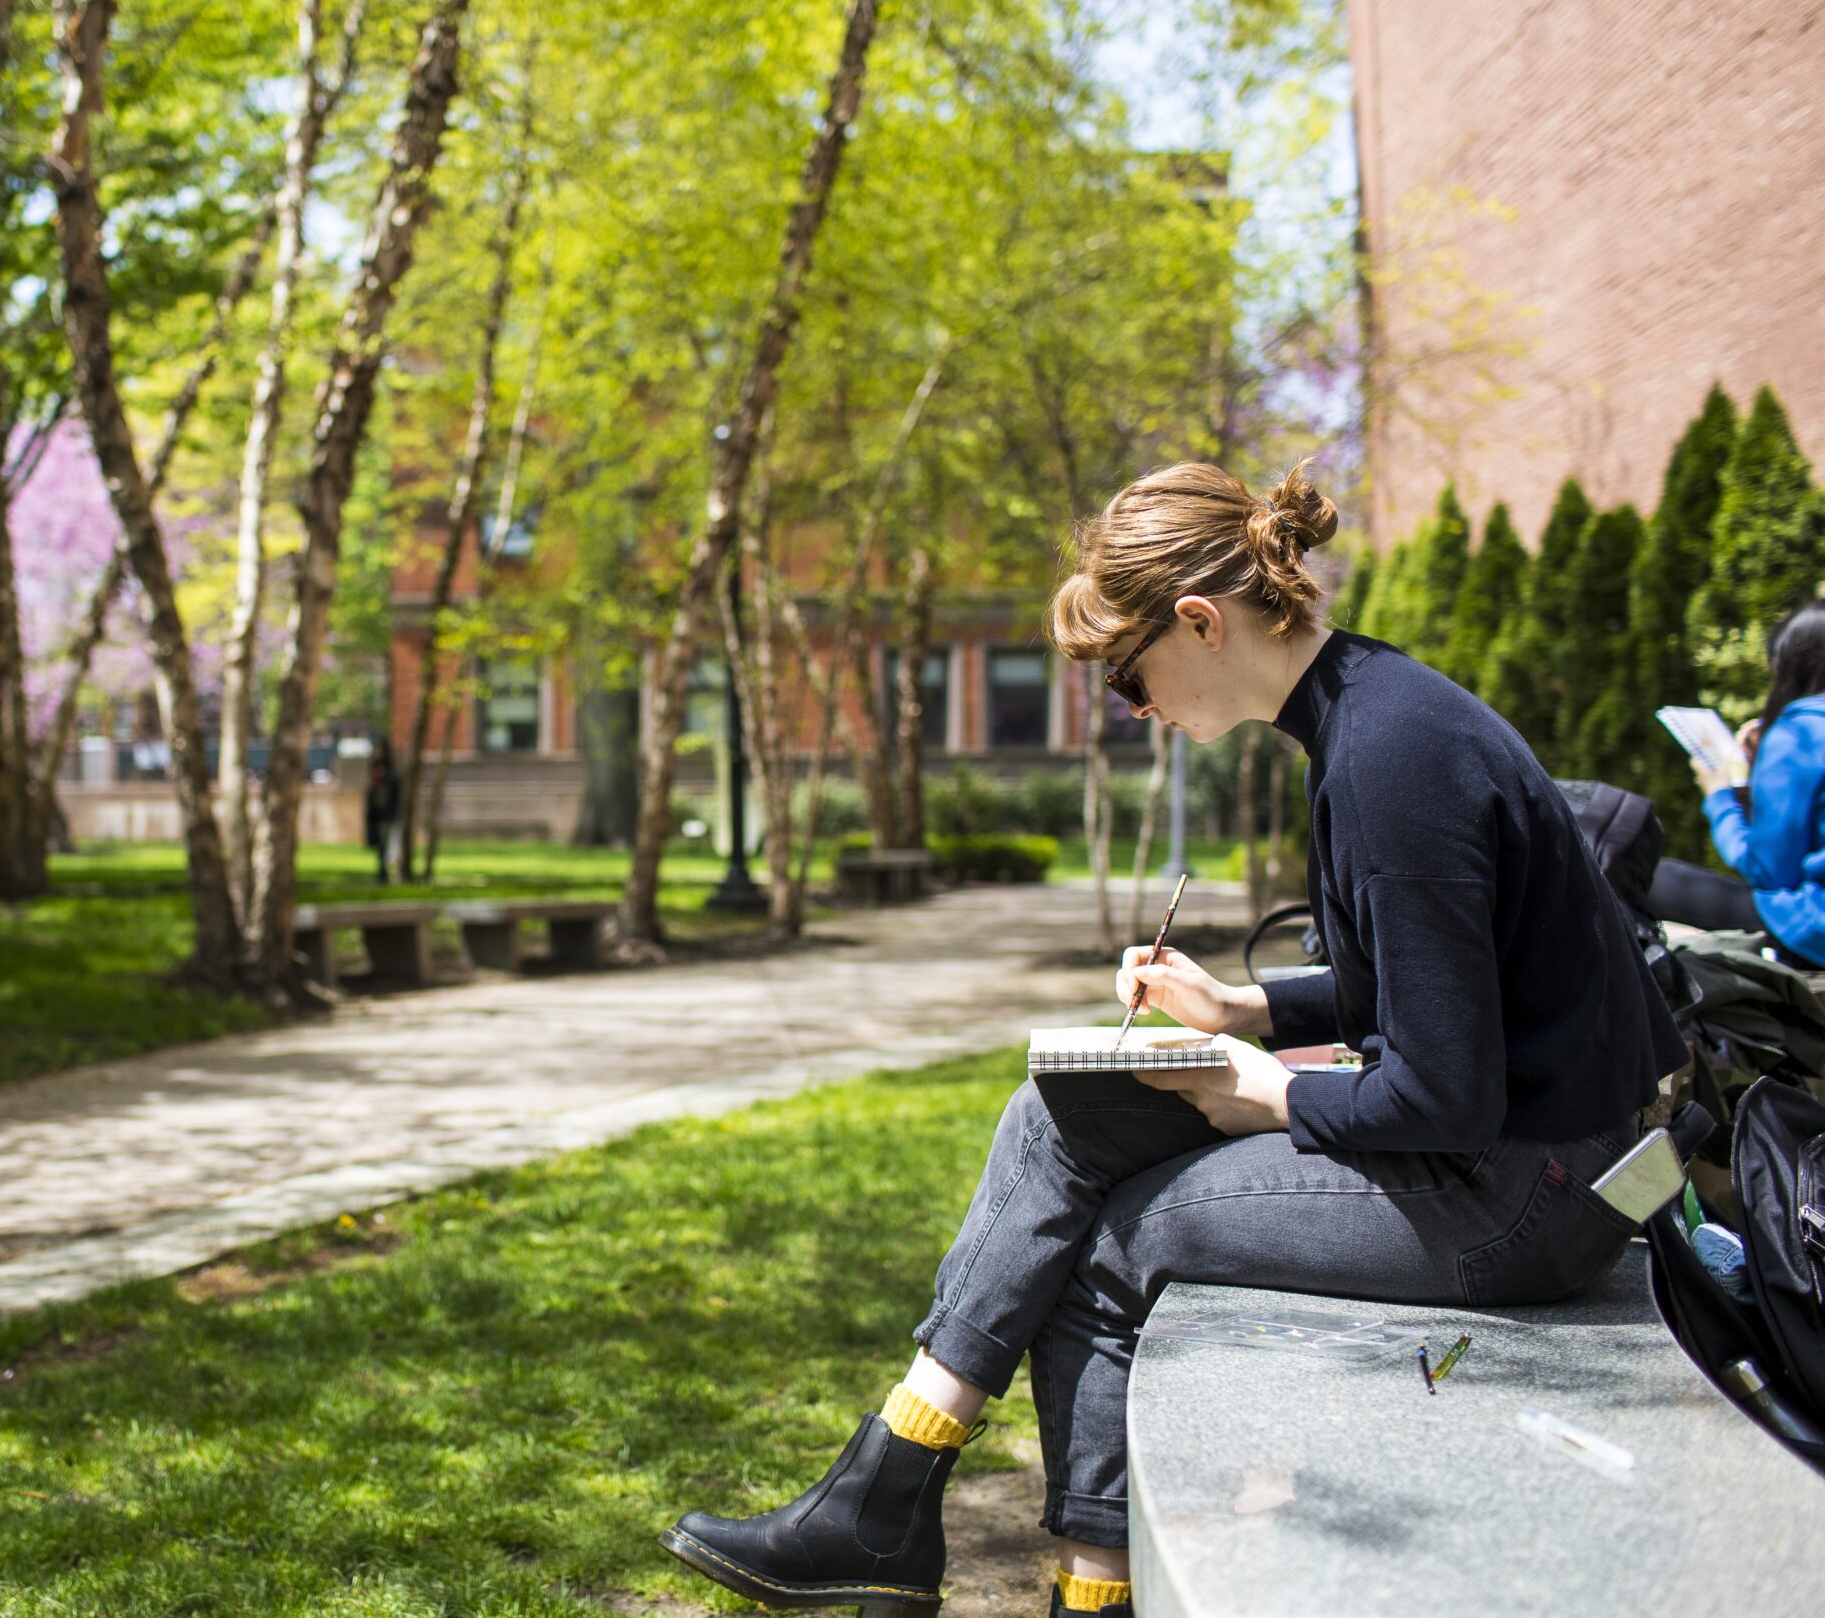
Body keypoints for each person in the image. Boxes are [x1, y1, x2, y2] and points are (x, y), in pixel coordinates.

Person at [657, 462, 1686, 1618]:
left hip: (1525, 1199)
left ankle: (983, 1552)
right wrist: (1250, 1015)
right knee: (1061, 1110)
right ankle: (889, 1493)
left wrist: (1268, 1093)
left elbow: (1443, 1091)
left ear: (1199, 622)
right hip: (1543, 1157)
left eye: (1123, 677)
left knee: (1109, 1247)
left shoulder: (1389, 763)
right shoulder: (1369, 711)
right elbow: (1436, 985)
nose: (1131, 709)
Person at [1645, 599, 1825, 971]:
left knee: (1642, 875)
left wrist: (1719, 795)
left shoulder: (1799, 734)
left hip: (1815, 931)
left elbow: (1771, 872)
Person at [363, 738, 401, 885]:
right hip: (375, 813)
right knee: (379, 843)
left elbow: (395, 794)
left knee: (386, 843)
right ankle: (381, 871)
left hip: (387, 814)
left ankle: (383, 872)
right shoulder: (373, 771)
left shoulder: (391, 774)